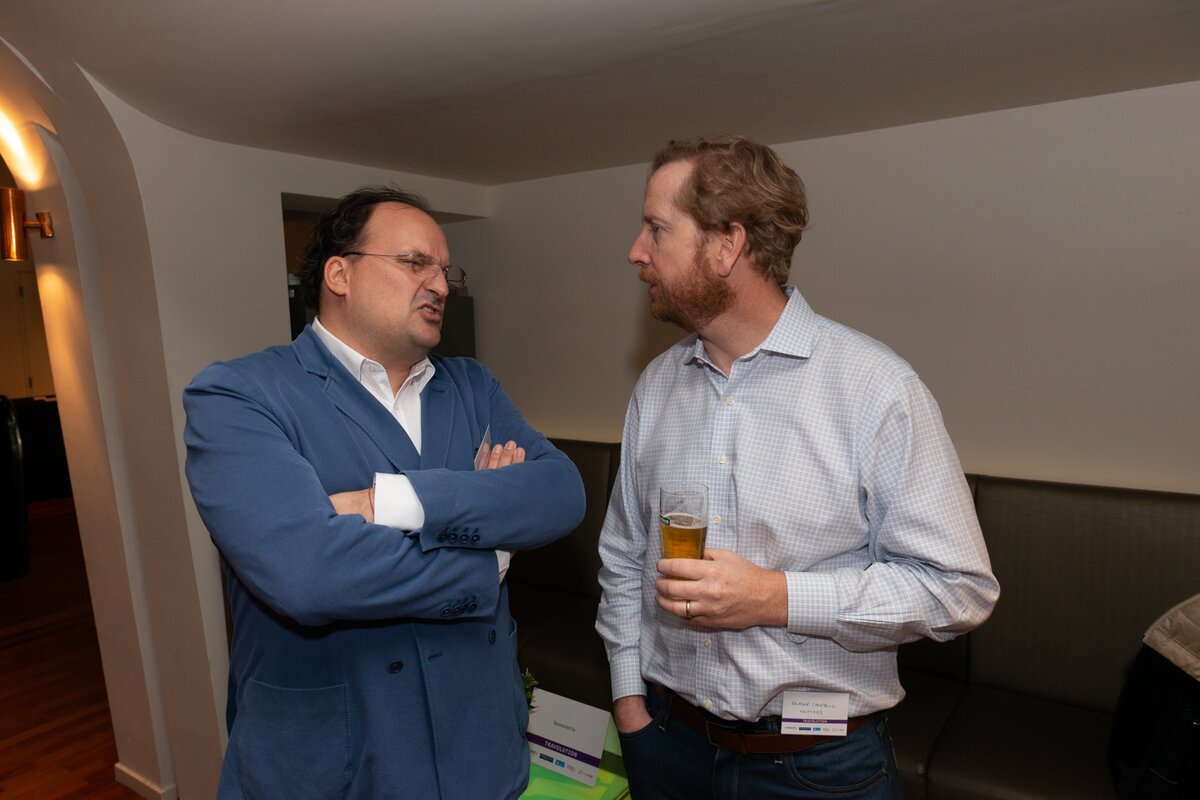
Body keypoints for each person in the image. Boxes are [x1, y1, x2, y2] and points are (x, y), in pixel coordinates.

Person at [595, 136, 999, 799]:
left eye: (657, 229)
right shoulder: (657, 386)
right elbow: (623, 554)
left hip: (819, 767)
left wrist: (775, 597)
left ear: (727, 245)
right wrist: (628, 700)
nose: (637, 251)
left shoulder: (876, 390)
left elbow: (959, 589)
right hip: (667, 743)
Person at [184, 186, 585, 800]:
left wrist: (387, 504)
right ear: (339, 274)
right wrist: (490, 555)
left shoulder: (472, 386)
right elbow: (307, 574)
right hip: (333, 763)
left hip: (479, 749)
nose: (440, 284)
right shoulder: (239, 395)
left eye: (445, 270)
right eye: (414, 262)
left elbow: (562, 493)